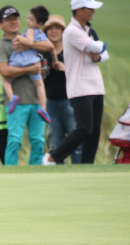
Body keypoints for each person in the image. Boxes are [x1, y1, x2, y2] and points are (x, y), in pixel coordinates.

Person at [42, 0, 109, 165]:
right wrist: (98, 48)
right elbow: (96, 46)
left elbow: (104, 55)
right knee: (84, 129)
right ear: (79, 10)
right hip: (80, 87)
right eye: (90, 8)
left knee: (94, 131)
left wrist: (98, 55)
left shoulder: (88, 30)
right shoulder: (71, 31)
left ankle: (87, 165)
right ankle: (52, 157)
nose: (93, 11)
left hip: (96, 85)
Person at [0, 6, 54, 166]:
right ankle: (10, 174)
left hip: (36, 101)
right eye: (9, 19)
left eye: (16, 18)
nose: (14, 22)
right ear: (1, 24)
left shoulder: (29, 38)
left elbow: (49, 46)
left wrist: (30, 46)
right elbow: (5, 71)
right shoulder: (1, 46)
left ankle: (35, 172)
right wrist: (31, 69)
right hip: (16, 103)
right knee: (14, 141)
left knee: (39, 141)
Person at [41, 14, 82, 164]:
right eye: (50, 28)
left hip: (71, 101)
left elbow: (81, 73)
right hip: (51, 101)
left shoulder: (70, 50)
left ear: (63, 31)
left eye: (57, 28)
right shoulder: (43, 52)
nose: (53, 31)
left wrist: (65, 69)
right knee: (55, 145)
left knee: (76, 143)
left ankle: (79, 175)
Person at [2, 5, 52, 123]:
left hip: (21, 60)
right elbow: (51, 47)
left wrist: (19, 38)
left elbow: (29, 42)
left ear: (39, 23)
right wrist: (55, 60)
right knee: (39, 85)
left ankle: (11, 98)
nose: (27, 21)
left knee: (6, 80)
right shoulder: (41, 34)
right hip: (34, 62)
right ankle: (43, 108)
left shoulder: (29, 31)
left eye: (30, 19)